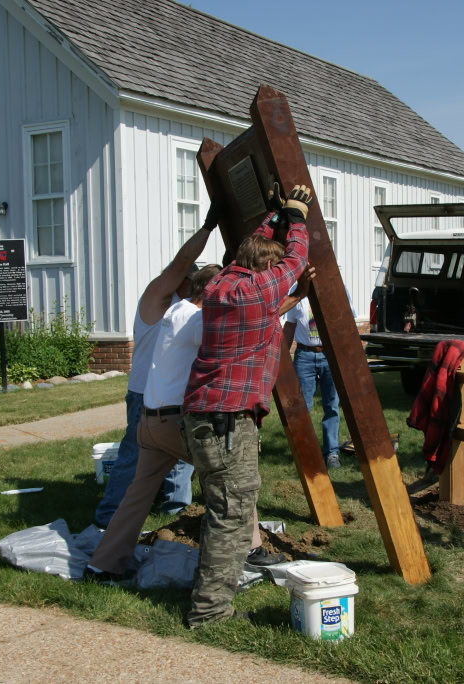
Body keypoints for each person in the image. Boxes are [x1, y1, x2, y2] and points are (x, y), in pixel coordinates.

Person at [85, 265, 285, 581]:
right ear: (211, 292)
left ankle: (103, 564)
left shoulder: (176, 310)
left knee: (136, 498)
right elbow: (242, 334)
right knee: (236, 470)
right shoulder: (197, 321)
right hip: (173, 422)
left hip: (149, 421)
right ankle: (252, 549)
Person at [180, 184, 313, 628]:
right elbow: (295, 259)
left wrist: (274, 214)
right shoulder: (255, 290)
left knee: (225, 508)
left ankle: (211, 599)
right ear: (265, 270)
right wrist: (296, 217)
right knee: (232, 515)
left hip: (206, 417)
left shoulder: (221, 282)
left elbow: (251, 251)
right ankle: (210, 613)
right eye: (272, 270)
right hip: (227, 423)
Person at [93, 203, 222, 528]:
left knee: (181, 463)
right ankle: (108, 520)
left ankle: (175, 517)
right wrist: (207, 228)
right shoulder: (155, 303)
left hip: (181, 399)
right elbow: (178, 263)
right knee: (132, 459)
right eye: (189, 279)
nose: (192, 284)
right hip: (144, 396)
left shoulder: (196, 311)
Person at [281, 284, 353, 468]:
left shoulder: (337, 288)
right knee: (302, 406)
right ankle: (305, 452)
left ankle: (331, 453)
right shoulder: (297, 290)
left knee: (332, 406)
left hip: (330, 355)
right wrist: (280, 358)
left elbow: (346, 322)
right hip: (304, 355)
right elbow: (290, 326)